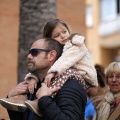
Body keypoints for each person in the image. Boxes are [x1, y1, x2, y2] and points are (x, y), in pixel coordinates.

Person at [0, 19, 98, 115]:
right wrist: (32, 78)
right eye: (57, 35)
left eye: (64, 31)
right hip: (62, 71)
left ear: (51, 55)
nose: (63, 36)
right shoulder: (40, 84)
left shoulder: (75, 44)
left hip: (84, 74)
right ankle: (20, 100)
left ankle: (38, 102)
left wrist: (44, 99)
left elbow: (65, 62)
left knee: (67, 73)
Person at [0, 37, 87, 120]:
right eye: (29, 52)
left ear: (51, 55)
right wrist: (12, 99)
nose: (29, 56)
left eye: (34, 52)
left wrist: (44, 99)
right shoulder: (33, 85)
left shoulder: (70, 85)